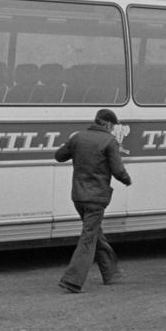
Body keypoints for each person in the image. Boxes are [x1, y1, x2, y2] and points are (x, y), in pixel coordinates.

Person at [55, 109, 132, 292]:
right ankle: (72, 280)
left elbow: (59, 156)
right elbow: (117, 169)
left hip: (78, 197)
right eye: (112, 126)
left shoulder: (78, 137)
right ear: (106, 124)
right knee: (88, 238)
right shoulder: (109, 141)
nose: (113, 130)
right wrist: (127, 179)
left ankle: (111, 272)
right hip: (96, 199)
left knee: (95, 233)